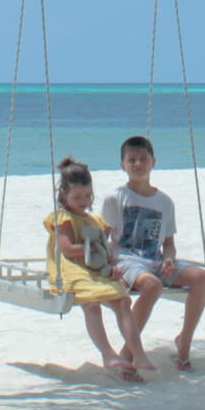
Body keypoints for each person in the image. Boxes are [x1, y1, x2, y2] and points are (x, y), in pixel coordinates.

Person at [103, 135, 205, 371]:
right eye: (131, 160)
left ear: (154, 162)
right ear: (123, 165)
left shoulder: (164, 201)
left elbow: (169, 243)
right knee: (152, 285)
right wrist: (105, 268)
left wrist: (169, 259)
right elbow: (102, 238)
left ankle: (184, 341)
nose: (138, 164)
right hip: (126, 260)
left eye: (143, 159)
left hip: (155, 260)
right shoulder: (114, 198)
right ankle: (128, 352)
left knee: (203, 278)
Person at [45, 157, 151, 381]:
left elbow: (105, 251)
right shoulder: (63, 218)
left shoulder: (95, 221)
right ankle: (107, 353)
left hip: (95, 269)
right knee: (92, 305)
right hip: (71, 270)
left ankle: (138, 353)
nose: (83, 201)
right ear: (64, 195)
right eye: (77, 197)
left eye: (87, 195)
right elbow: (66, 249)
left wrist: (111, 266)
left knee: (122, 300)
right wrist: (88, 247)